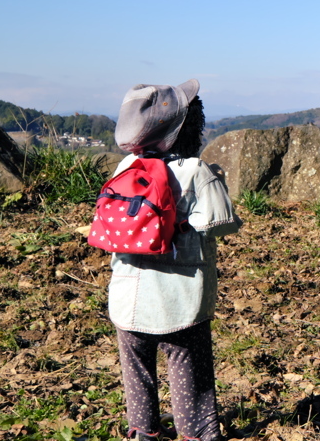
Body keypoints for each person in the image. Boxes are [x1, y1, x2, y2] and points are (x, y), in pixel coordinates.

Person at [106, 80, 242, 441]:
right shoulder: (196, 171)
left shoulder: (126, 165)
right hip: (179, 300)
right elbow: (222, 224)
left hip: (127, 297)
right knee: (188, 370)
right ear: (188, 128)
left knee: (137, 372)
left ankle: (143, 431)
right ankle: (196, 433)